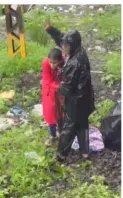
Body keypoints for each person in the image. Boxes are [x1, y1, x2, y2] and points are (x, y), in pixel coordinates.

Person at [45, 21, 95, 161]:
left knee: (69, 127)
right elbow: (62, 38)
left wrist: (56, 85)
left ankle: (61, 155)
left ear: (71, 46)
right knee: (82, 123)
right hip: (84, 97)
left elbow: (68, 88)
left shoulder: (75, 63)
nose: (63, 48)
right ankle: (85, 152)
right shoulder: (77, 50)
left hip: (76, 99)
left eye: (65, 46)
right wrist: (51, 30)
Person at [41, 48, 65, 146]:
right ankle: (53, 135)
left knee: (61, 111)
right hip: (49, 90)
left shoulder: (65, 61)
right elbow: (47, 80)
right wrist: (59, 86)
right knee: (50, 112)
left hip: (61, 90)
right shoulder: (46, 63)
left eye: (54, 63)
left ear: (60, 61)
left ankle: (61, 131)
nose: (52, 65)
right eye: (51, 62)